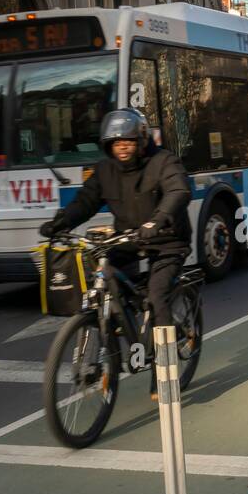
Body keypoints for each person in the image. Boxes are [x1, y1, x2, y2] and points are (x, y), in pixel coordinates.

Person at [40, 109, 192, 390]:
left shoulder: (163, 161)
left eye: (129, 140)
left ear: (141, 140)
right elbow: (85, 201)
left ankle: (165, 374)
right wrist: (60, 223)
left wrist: (158, 220)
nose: (122, 146)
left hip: (167, 241)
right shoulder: (105, 170)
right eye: (115, 142)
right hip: (127, 240)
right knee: (103, 277)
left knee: (157, 296)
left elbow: (178, 191)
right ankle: (113, 328)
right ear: (107, 145)